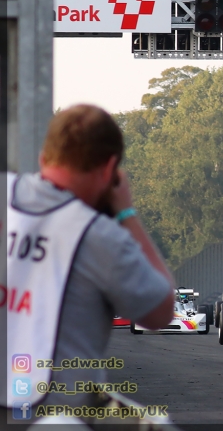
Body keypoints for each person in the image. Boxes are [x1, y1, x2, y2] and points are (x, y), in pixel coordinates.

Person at [4, 105, 174, 415]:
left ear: (44, 158)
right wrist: (126, 213)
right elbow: (160, 311)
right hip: (52, 414)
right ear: (110, 170)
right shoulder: (101, 237)